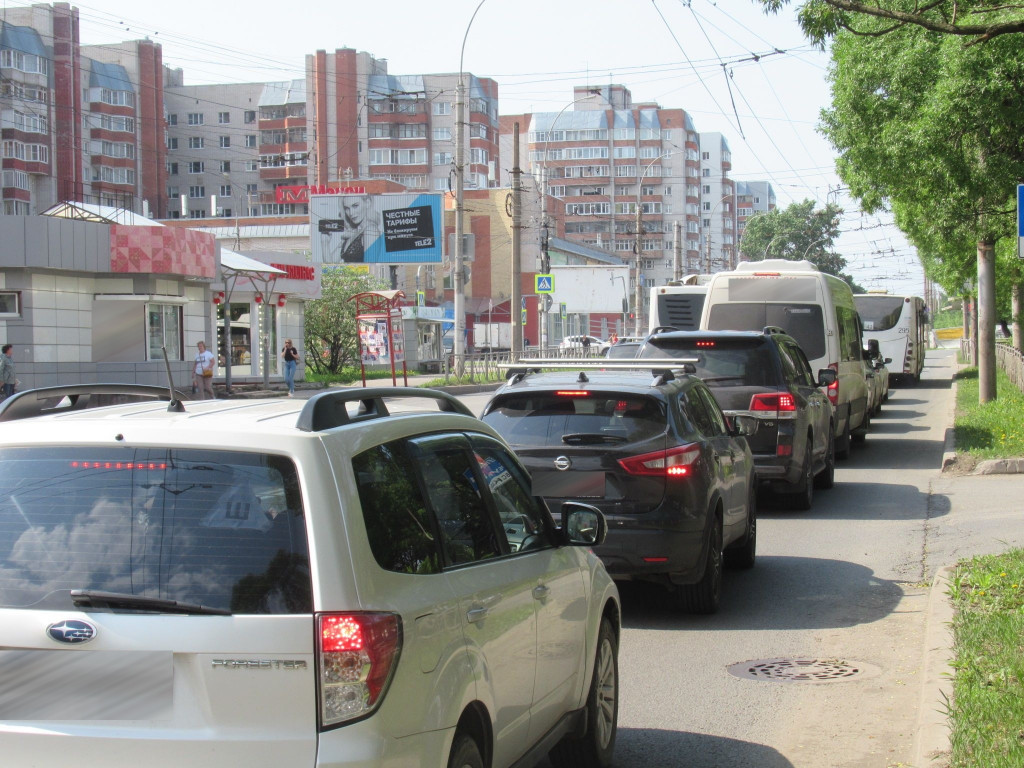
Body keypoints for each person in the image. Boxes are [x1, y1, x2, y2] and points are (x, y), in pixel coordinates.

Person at [339, 195, 369, 263]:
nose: (351, 213)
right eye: (346, 208)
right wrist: (325, 243)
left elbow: (369, 266)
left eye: (355, 206)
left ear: (367, 203)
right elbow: (328, 263)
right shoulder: (355, 232)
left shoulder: (370, 230)